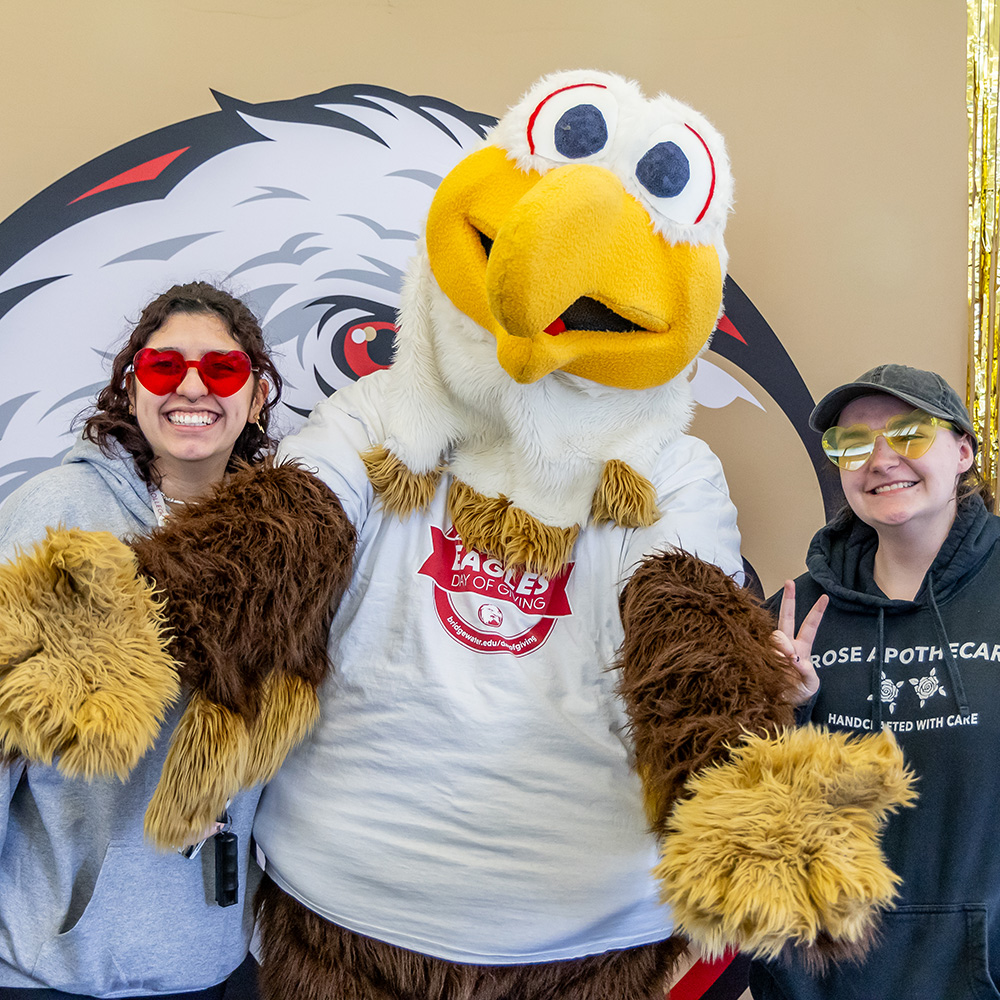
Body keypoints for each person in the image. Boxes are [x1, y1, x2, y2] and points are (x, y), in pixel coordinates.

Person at [0, 281, 281, 999]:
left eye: (221, 370)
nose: (193, 387)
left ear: (255, 396)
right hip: (58, 971)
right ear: (131, 388)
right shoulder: (55, 515)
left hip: (214, 963)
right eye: (165, 368)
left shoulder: (281, 545)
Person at [749, 363, 998, 999]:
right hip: (825, 981)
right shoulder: (793, 616)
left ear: (964, 450)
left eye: (910, 433)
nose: (881, 460)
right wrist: (785, 714)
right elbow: (744, 824)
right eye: (853, 444)